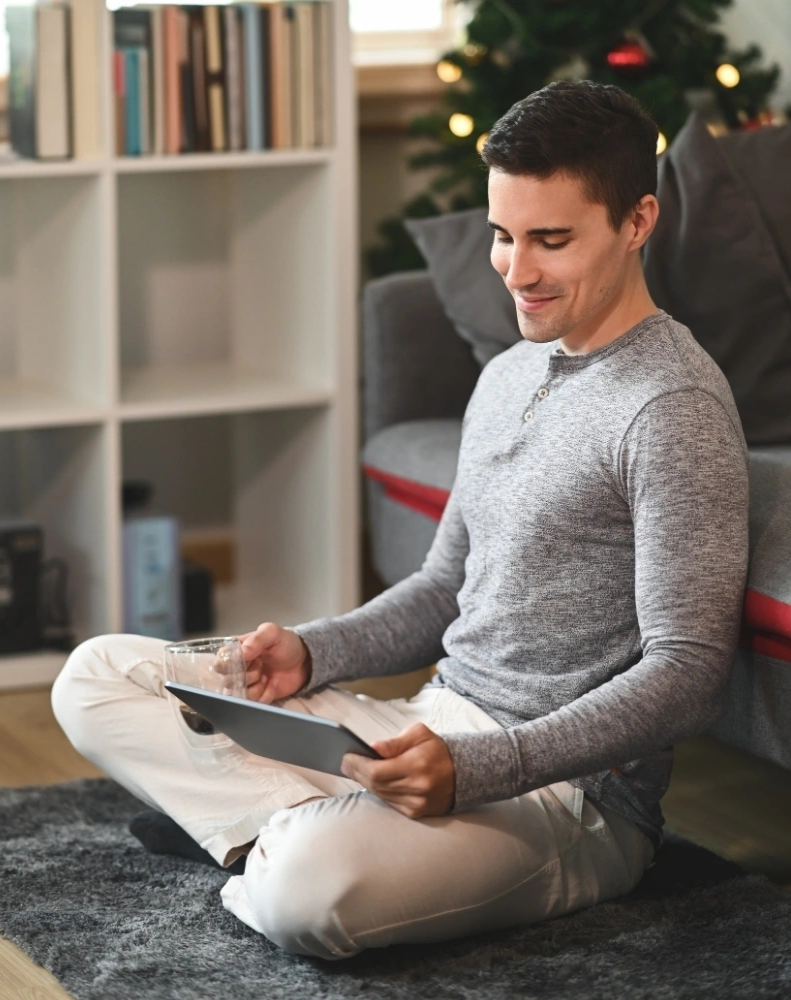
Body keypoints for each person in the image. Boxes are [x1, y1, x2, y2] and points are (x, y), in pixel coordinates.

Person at [52, 80, 749, 961]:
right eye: (502, 235)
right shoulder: (509, 374)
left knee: (312, 892)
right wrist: (314, 651)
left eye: (552, 240)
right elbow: (444, 587)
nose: (517, 271)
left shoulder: (673, 406)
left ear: (638, 221)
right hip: (425, 729)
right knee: (98, 676)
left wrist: (485, 770)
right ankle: (283, 837)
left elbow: (689, 673)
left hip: (566, 800)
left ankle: (267, 838)